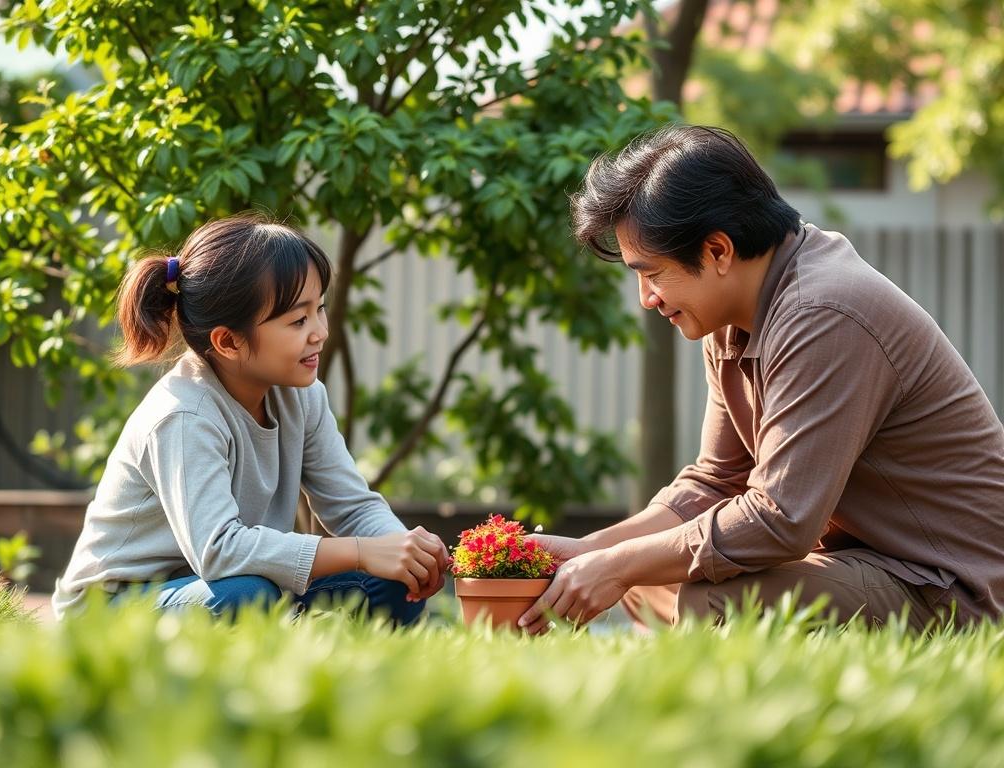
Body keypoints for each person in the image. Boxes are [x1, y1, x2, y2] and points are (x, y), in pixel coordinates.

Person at [519, 125, 1004, 634]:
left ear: (718, 251)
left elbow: (781, 521)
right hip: (867, 565)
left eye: (653, 273)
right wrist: (593, 550)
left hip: (949, 586)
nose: (647, 298)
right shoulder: (733, 313)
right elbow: (715, 481)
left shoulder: (823, 312)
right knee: (648, 574)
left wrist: (617, 565)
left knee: (712, 598)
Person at [52, 214, 448, 622]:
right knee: (248, 592)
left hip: (216, 584)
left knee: (389, 580)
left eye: (321, 309)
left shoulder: (303, 396)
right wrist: (362, 552)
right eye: (298, 320)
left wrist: (407, 551)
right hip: (113, 609)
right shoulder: (184, 414)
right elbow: (219, 551)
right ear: (228, 341)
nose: (320, 332)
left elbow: (351, 507)